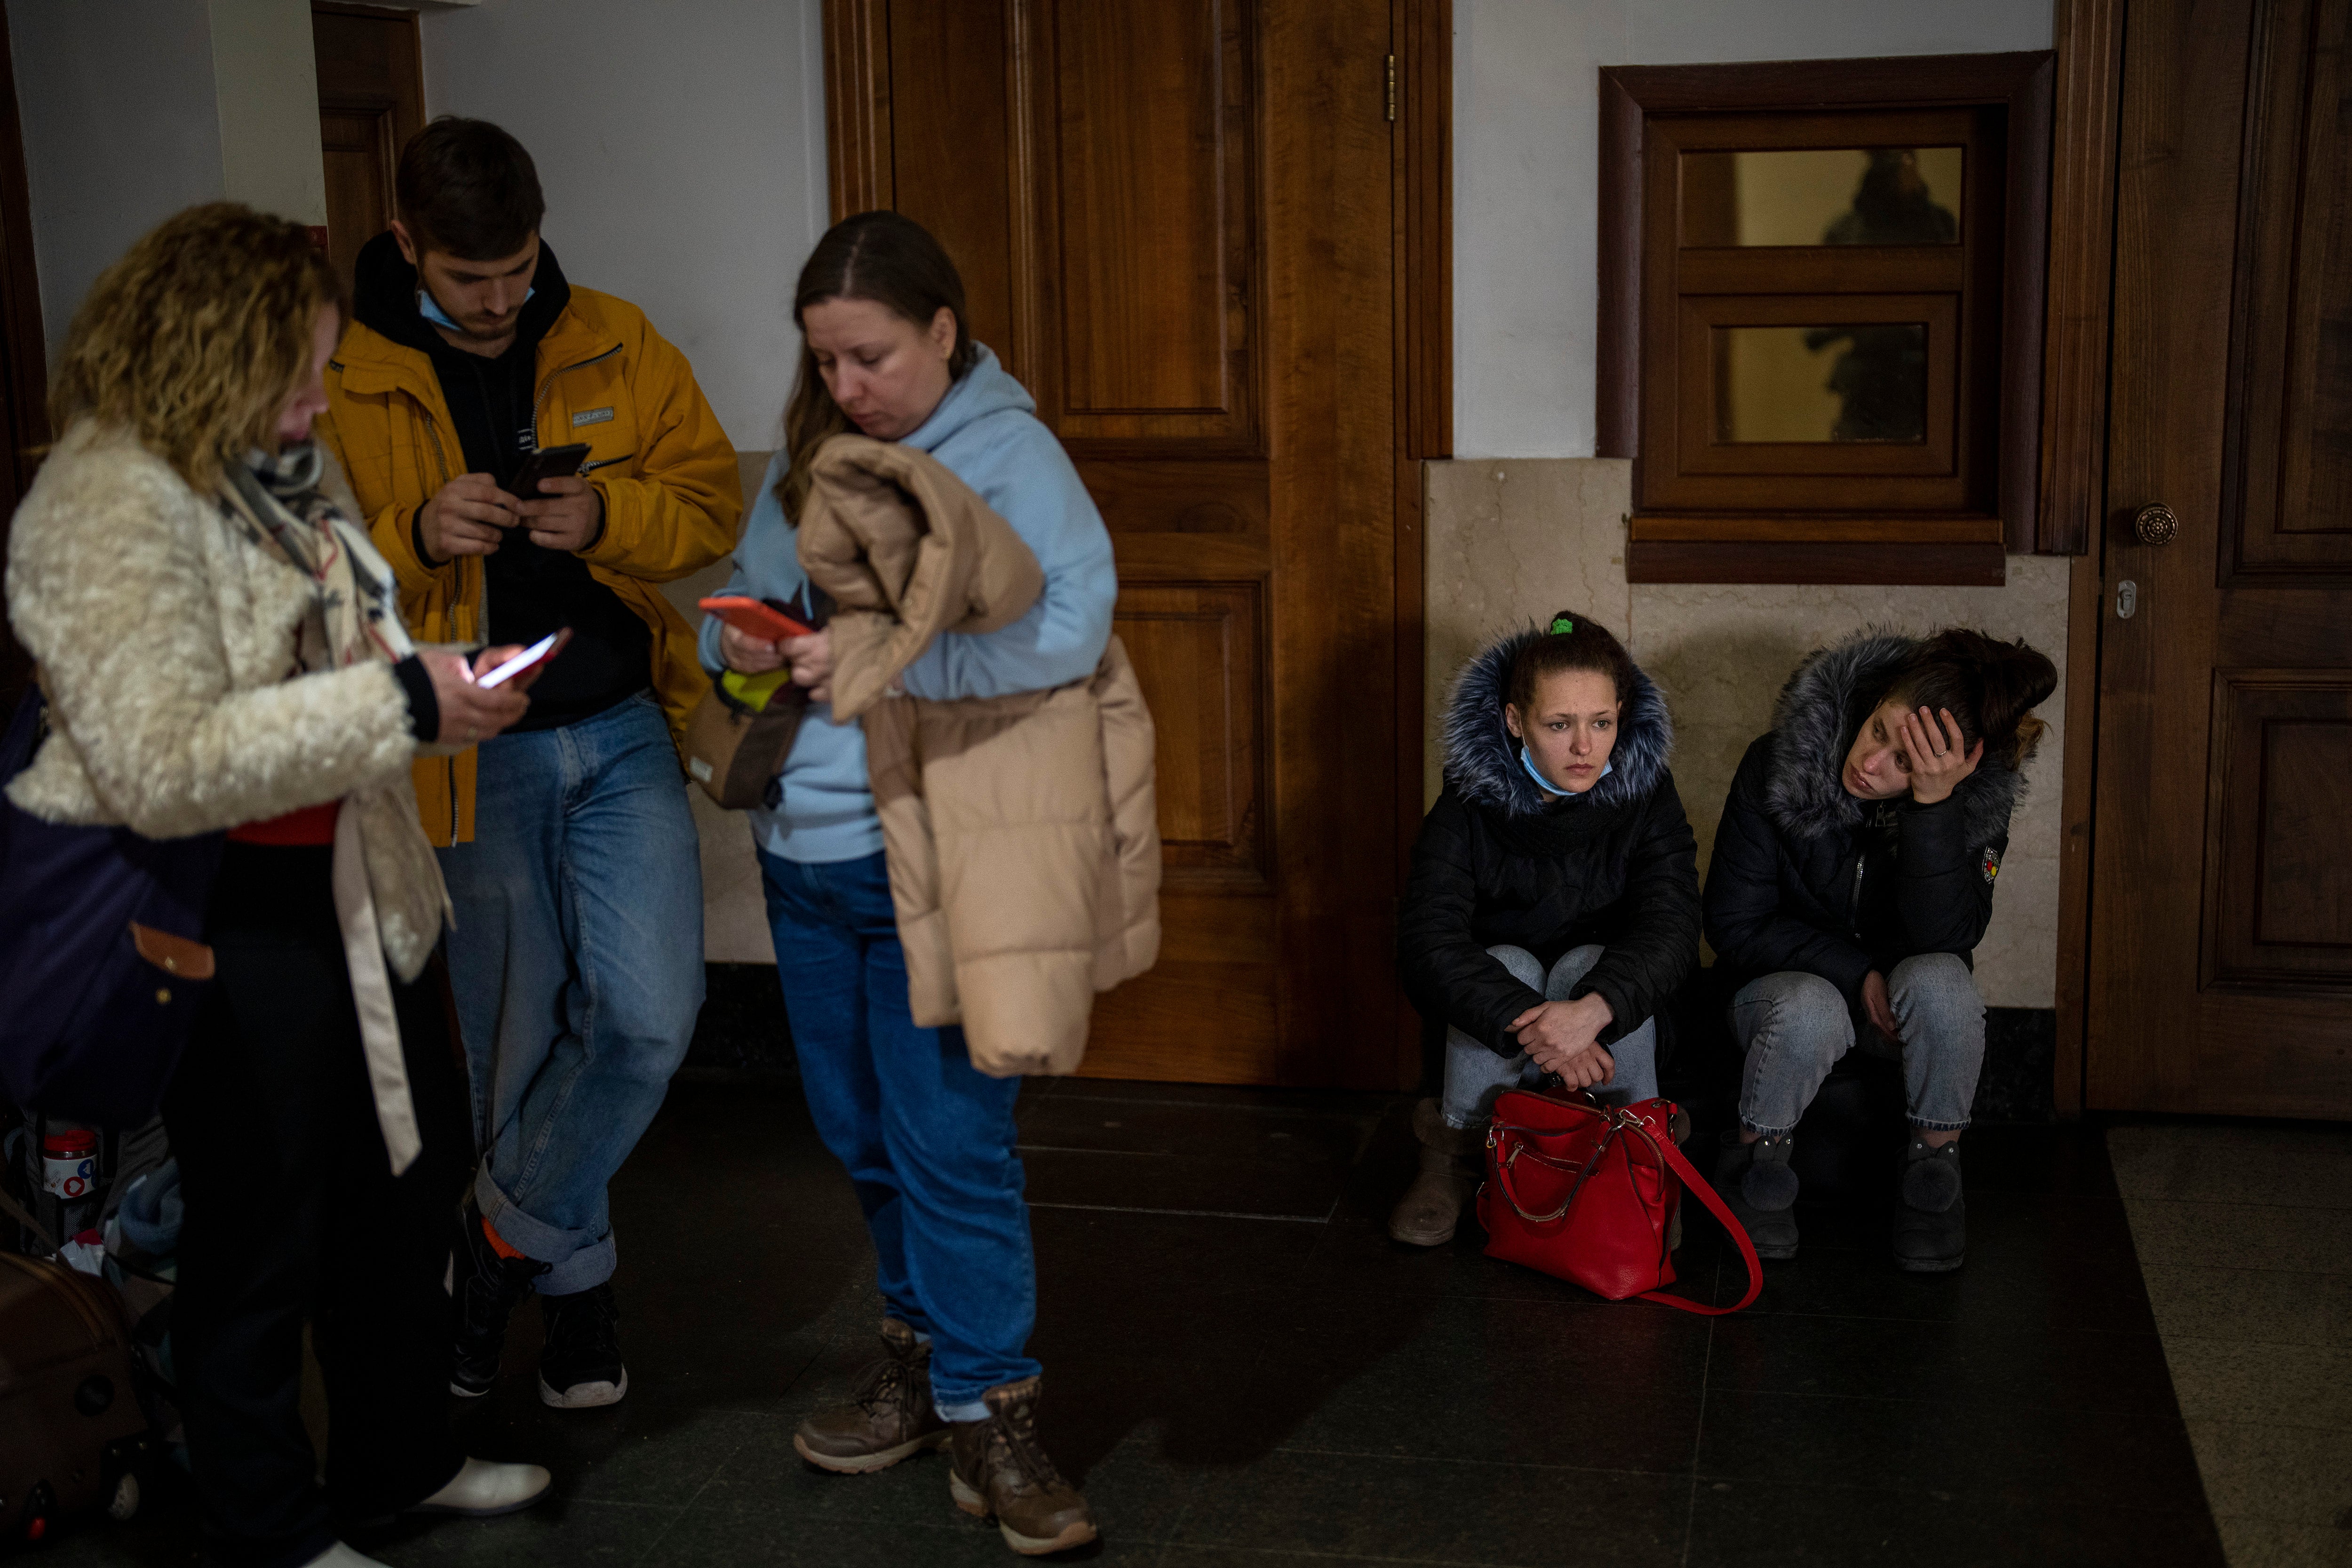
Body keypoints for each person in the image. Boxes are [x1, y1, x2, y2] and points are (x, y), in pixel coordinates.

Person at [4, 203, 549, 1568]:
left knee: (402, 1194)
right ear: (203, 348)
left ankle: (398, 1460)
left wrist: (438, 689)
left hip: (360, 885)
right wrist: (399, 703)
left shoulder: (281, 459)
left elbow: (367, 640)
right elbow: (160, 761)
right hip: (216, 914)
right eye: (299, 369)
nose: (320, 397)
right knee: (259, 1228)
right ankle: (271, 1521)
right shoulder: (100, 500)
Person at [704, 210, 1113, 1557]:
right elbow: (770, 623)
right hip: (805, 855)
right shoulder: (820, 453)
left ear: (945, 329)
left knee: (953, 1141)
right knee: (862, 1132)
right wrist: (750, 657)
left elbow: (1068, 632)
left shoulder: (1012, 454)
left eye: (870, 355)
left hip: (934, 856)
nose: (847, 385)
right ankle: (921, 1361)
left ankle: (995, 1405)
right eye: (826, 362)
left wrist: (884, 665)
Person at [318, 118, 741, 1408]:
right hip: (471, 750)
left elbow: (713, 505)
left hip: (618, 730)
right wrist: (415, 532)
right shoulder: (339, 373)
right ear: (407, 246)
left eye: (517, 268)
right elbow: (308, 579)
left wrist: (613, 514)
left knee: (650, 1018)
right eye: (468, 278)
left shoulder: (615, 332)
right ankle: (579, 1303)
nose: (499, 300)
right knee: (522, 1040)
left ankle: (488, 1241)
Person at [1703, 627, 2058, 1273]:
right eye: (1876, 731)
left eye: (1904, 761)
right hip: (1779, 997)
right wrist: (1855, 972)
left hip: (1897, 1012)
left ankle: (1933, 1178)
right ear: (1871, 702)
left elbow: (1948, 941)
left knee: (1944, 984)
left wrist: (1932, 806)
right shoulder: (1777, 762)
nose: (1870, 762)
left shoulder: (1970, 810)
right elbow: (1733, 922)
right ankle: (1754, 1170)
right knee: (1811, 1004)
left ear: (1956, 766)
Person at [1391, 613, 1701, 1246]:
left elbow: (1673, 926)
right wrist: (1538, 1020)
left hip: (1604, 1010)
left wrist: (1594, 1007)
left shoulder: (1648, 796)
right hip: (1502, 1010)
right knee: (1505, 959)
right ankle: (1453, 1156)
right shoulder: (1467, 803)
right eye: (1559, 725)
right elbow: (1427, 940)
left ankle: (1643, 1160)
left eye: (1601, 723)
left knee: (1593, 958)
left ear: (1621, 712)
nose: (1585, 747)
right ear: (1515, 723)